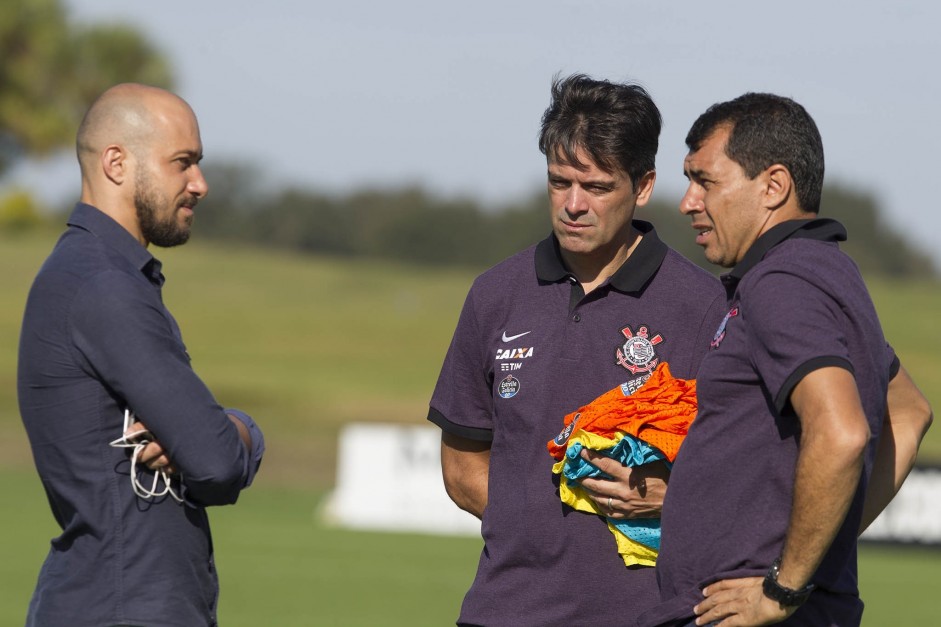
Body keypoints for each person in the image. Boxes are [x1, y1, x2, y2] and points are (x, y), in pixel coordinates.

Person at [426, 74, 727, 625]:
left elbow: (738, 468)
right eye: (559, 182)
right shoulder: (495, 294)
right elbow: (462, 461)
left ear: (643, 186)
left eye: (596, 187)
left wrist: (669, 501)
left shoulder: (705, 306)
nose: (572, 204)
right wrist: (534, 520)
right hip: (504, 610)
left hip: (646, 614)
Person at [638, 93, 933, 627]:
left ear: (773, 186)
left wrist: (783, 586)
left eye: (705, 180)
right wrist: (820, 544)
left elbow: (842, 432)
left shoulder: (782, 281)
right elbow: (909, 412)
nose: (687, 202)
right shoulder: (824, 271)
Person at [17, 83, 265, 627]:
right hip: (122, 607)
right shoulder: (104, 286)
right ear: (115, 163)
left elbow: (202, 450)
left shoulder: (86, 273)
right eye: (183, 163)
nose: (200, 184)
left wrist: (210, 435)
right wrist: (243, 428)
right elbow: (218, 461)